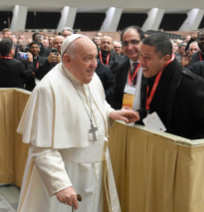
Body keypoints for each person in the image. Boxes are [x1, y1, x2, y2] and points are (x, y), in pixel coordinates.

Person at [16, 34, 139, 212]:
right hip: (66, 170)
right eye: (87, 59)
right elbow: (41, 147)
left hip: (95, 166)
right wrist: (60, 184)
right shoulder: (48, 89)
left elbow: (94, 106)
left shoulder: (92, 78)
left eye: (95, 57)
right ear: (67, 60)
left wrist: (111, 113)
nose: (94, 64)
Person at [138, 33, 204, 139]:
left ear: (166, 58)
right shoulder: (149, 75)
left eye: (147, 57)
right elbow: (154, 110)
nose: (141, 62)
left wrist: (183, 147)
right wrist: (138, 115)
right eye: (140, 55)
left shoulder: (191, 84)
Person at [111, 26, 145, 110]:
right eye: (125, 43)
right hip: (126, 118)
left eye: (134, 42)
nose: (130, 47)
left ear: (143, 42)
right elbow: (116, 95)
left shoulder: (152, 66)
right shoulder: (121, 67)